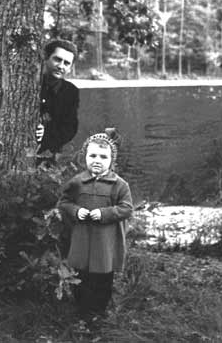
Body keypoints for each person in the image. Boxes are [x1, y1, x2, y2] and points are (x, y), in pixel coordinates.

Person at [58, 128, 133, 320]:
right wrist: (76, 211)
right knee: (81, 277)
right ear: (85, 157)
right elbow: (64, 203)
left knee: (102, 279)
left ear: (111, 160)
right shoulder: (77, 182)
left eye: (103, 156)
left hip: (105, 243)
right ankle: (81, 312)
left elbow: (126, 208)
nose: (97, 160)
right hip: (82, 239)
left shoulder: (119, 185)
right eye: (92, 155)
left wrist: (104, 213)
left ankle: (98, 313)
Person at [0, 38, 80, 161]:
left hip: (46, 155)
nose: (61, 66)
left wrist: (46, 133)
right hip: (12, 151)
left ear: (70, 68)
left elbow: (70, 128)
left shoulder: (70, 92)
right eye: (57, 59)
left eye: (67, 63)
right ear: (46, 58)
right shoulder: (26, 80)